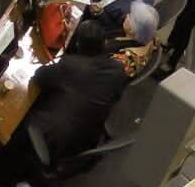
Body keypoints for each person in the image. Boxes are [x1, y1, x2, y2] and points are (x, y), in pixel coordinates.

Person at [21, 19, 127, 161]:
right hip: (88, 137)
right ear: (104, 43)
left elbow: (39, 76)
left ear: (78, 44)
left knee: (19, 113)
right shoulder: (118, 69)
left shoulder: (71, 65)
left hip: (55, 140)